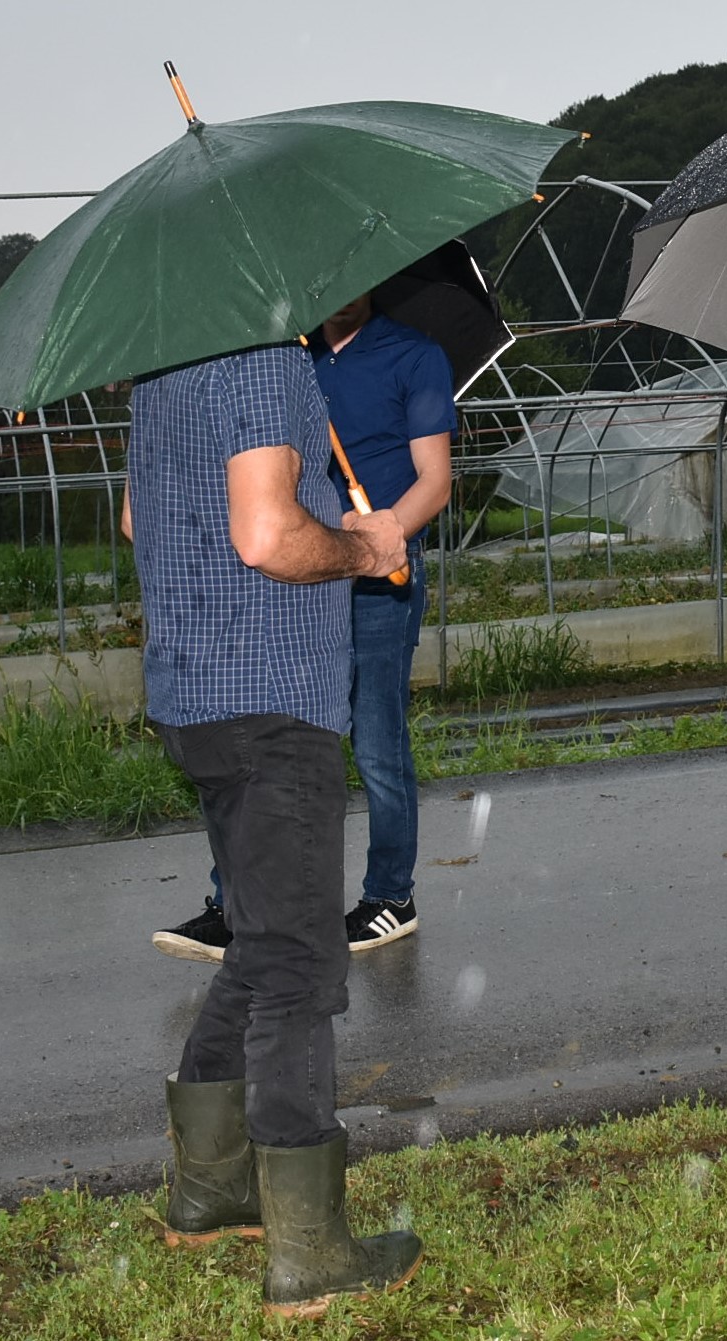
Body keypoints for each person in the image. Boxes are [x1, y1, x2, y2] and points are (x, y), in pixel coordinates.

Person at [122, 340, 422, 1317]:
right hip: (270, 700)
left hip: (193, 692)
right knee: (298, 962)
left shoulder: (161, 369)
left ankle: (209, 1187)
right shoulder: (264, 364)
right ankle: (309, 1251)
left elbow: (138, 519)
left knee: (258, 945)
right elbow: (263, 536)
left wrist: (329, 517)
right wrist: (359, 546)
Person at [151, 295, 455, 959]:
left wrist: (383, 537)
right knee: (274, 736)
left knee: (376, 739)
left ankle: (389, 895)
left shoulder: (415, 355)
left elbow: (435, 481)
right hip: (303, 574)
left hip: (378, 574)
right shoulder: (282, 359)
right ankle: (233, 902)